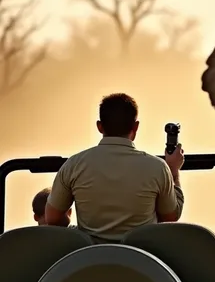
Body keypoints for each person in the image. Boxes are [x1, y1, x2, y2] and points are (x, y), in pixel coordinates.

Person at [45, 93, 184, 242]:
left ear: (99, 126)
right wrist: (173, 172)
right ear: (135, 126)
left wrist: (77, 231)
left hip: (90, 260)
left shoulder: (74, 165)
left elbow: (52, 218)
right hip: (140, 260)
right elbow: (170, 218)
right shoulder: (158, 168)